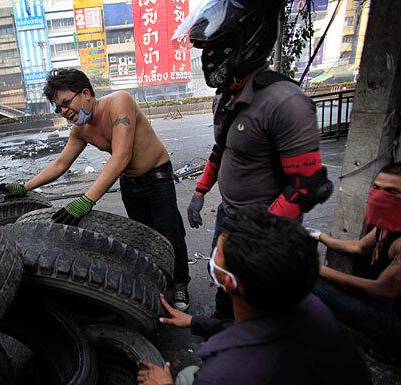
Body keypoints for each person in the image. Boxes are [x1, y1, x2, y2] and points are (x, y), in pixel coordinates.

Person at [172, 0, 333, 319]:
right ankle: (222, 339)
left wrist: (255, 234)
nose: (208, 57)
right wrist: (199, 193)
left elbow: (307, 187)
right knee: (225, 287)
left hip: (266, 226)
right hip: (229, 215)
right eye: (205, 49)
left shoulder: (285, 102)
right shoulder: (227, 97)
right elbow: (222, 149)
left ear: (249, 42)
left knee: (261, 301)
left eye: (218, 47)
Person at [0, 68, 191, 310]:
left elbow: (121, 156)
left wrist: (86, 200)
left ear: (86, 93)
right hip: (129, 182)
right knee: (144, 236)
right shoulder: (80, 129)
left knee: (170, 234)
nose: (64, 111)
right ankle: (159, 283)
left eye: (66, 103)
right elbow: (61, 163)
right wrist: (24, 186)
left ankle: (181, 284)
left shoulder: (120, 102)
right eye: (58, 108)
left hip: (157, 176)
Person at [137, 206, 372, 385]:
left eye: (218, 253)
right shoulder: (310, 305)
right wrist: (195, 322)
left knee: (187, 375)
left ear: (229, 282)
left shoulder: (221, 374)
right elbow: (259, 331)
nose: (213, 256)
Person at [308, 162, 401, 357]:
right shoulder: (388, 225)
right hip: (382, 302)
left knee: (310, 283)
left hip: (394, 318)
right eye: (377, 188)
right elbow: (358, 247)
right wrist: (318, 235)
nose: (381, 196)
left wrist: (315, 269)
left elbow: (381, 289)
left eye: (392, 191)